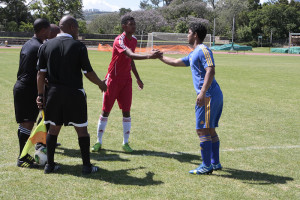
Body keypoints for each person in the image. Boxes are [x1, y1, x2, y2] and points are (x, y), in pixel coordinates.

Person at [36, 15, 107, 174]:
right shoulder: (79, 46)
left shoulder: (45, 46)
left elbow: (40, 75)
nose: (78, 31)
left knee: (53, 129)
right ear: (72, 27)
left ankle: (50, 165)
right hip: (74, 94)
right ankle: (87, 166)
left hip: (53, 94)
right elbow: (87, 72)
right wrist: (101, 84)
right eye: (78, 28)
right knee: (81, 130)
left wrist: (40, 95)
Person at [158, 23, 223, 175]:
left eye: (188, 32)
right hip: (210, 94)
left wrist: (202, 92)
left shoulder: (203, 50)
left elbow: (211, 70)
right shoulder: (194, 53)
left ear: (195, 34)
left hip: (208, 95)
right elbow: (175, 62)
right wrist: (160, 57)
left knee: (201, 130)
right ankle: (215, 163)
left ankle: (207, 166)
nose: (187, 35)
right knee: (209, 129)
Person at [91, 16, 162, 153]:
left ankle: (125, 143)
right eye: (131, 24)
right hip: (113, 80)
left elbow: (131, 59)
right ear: (124, 26)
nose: (134, 26)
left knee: (126, 111)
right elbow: (129, 53)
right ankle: (98, 142)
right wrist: (148, 55)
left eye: (134, 24)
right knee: (106, 111)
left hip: (126, 80)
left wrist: (137, 78)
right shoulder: (119, 40)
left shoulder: (134, 40)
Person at [13, 18, 50, 168]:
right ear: (43, 30)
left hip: (22, 86)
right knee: (27, 123)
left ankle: (25, 154)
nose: (49, 33)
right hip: (28, 88)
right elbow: (39, 72)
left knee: (26, 123)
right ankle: (22, 158)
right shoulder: (40, 47)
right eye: (48, 30)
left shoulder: (28, 43)